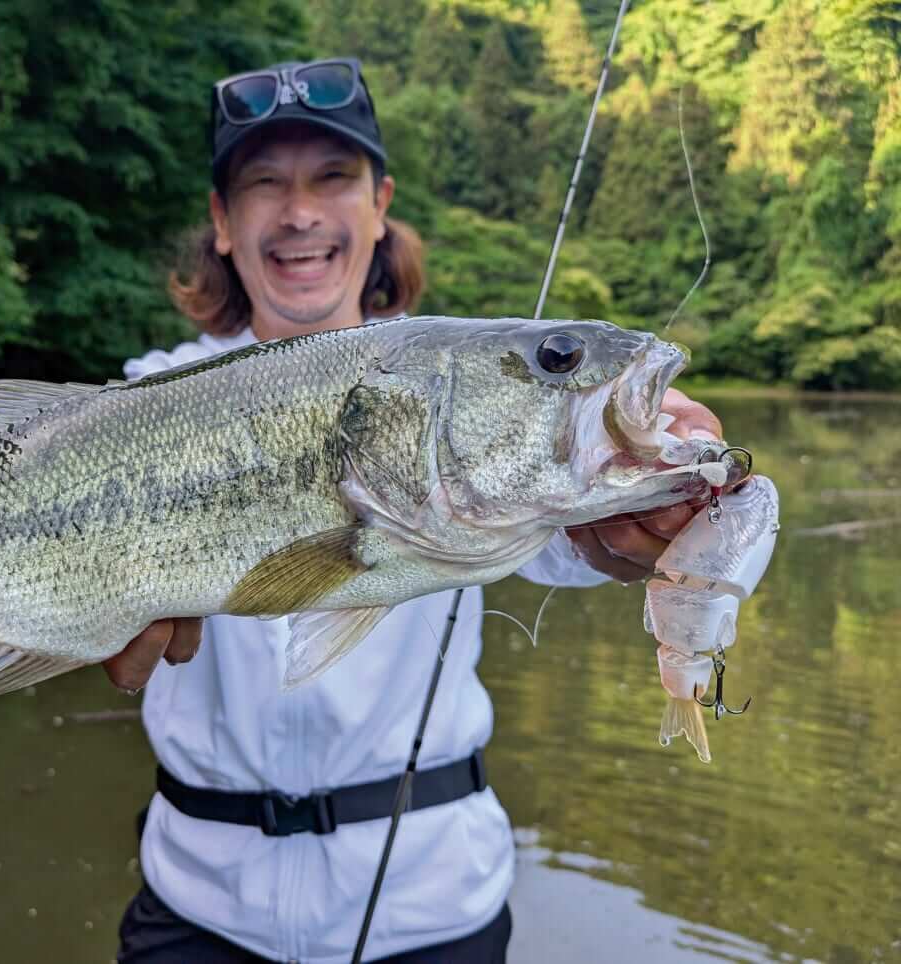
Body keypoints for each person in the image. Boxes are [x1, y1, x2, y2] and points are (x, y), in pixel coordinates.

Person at [105, 58, 724, 963]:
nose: (300, 212)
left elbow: (583, 541)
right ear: (222, 223)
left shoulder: (464, 384)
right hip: (196, 908)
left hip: (432, 910)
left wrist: (648, 517)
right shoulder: (142, 406)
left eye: (333, 177)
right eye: (265, 183)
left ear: (380, 205)